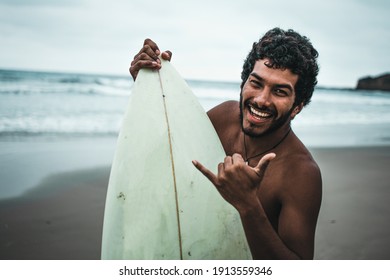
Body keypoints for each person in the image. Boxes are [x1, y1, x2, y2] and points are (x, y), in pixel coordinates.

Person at [129, 28, 322, 260]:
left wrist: (248, 205)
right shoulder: (223, 117)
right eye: (256, 83)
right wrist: (147, 84)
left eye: (279, 91)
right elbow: (169, 147)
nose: (261, 99)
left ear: (297, 107)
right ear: (243, 83)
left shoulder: (300, 173)